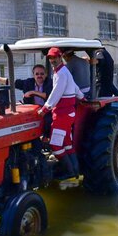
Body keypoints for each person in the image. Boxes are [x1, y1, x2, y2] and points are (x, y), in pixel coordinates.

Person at [38, 47, 84, 179]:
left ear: (60, 57)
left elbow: (56, 92)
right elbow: (74, 86)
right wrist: (82, 97)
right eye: (50, 58)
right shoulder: (63, 71)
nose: (52, 60)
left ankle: (68, 171)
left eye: (54, 57)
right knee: (67, 143)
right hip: (68, 113)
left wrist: (45, 108)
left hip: (62, 114)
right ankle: (75, 170)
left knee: (55, 144)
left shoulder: (61, 74)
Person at [0, 65, 53, 138]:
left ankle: (46, 138)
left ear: (45, 74)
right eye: (37, 74)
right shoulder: (28, 82)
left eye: (42, 74)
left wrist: (32, 92)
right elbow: (10, 82)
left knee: (48, 120)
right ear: (33, 75)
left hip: (46, 109)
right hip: (32, 109)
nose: (39, 76)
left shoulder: (50, 83)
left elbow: (48, 95)